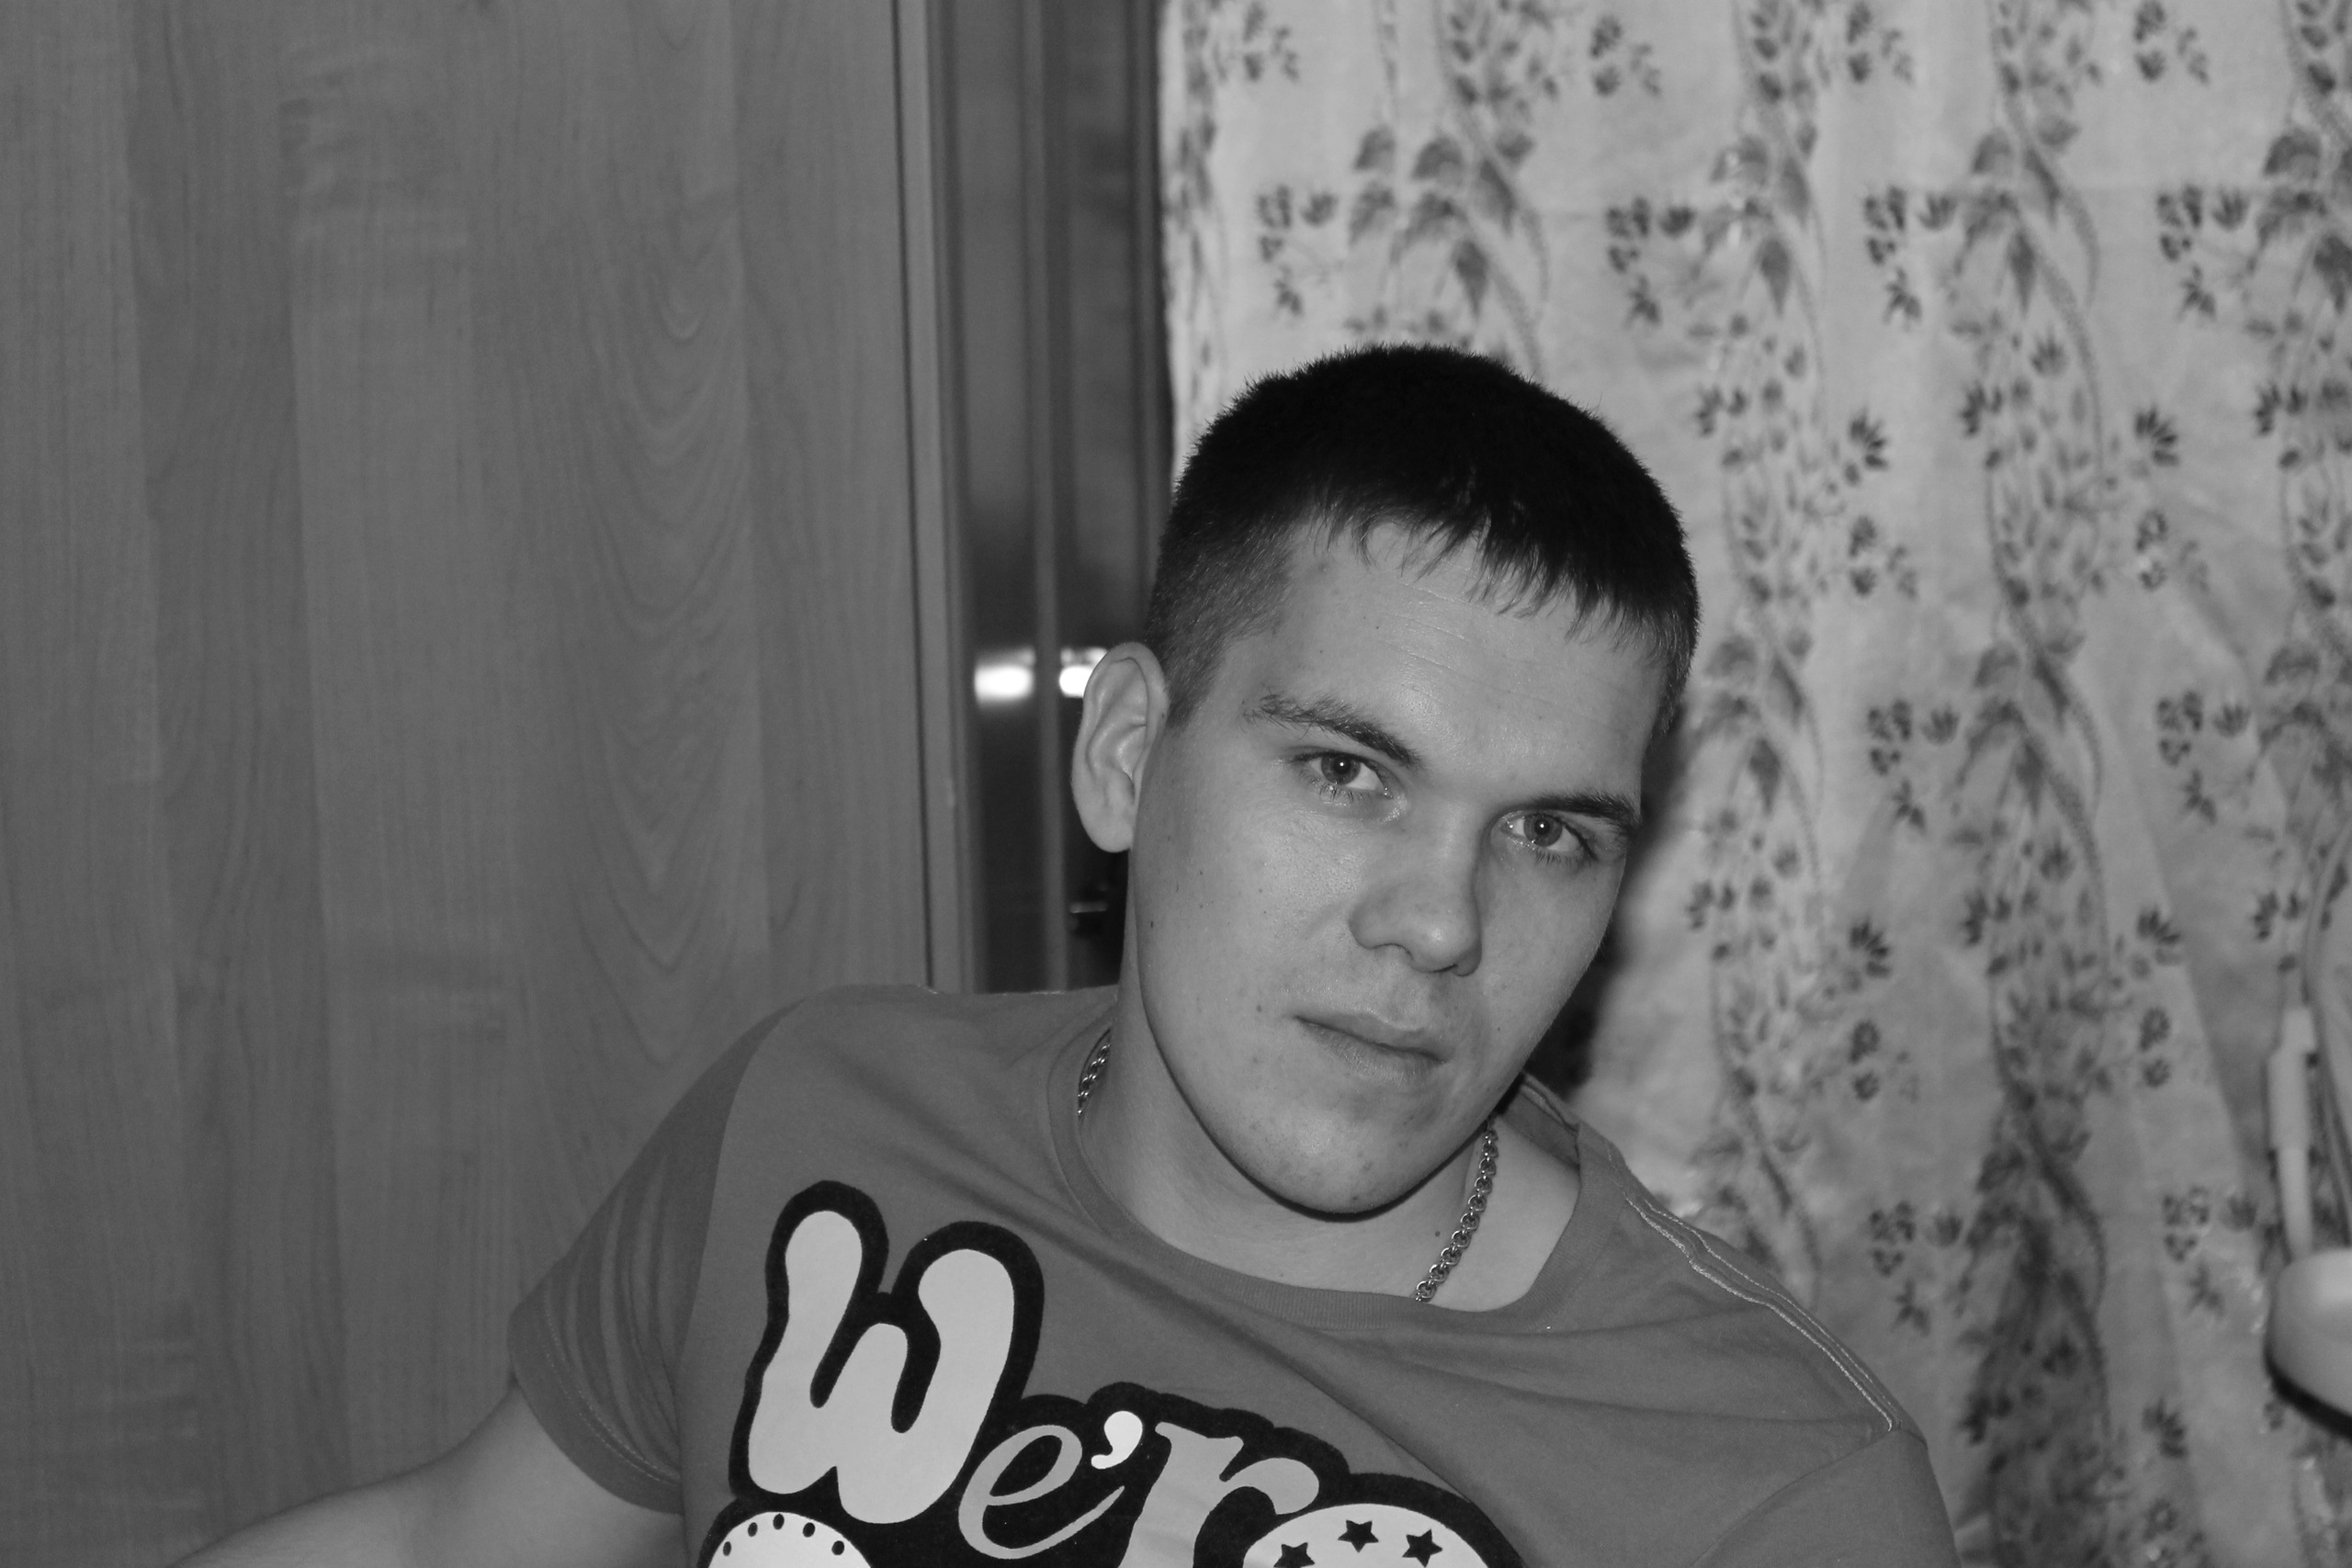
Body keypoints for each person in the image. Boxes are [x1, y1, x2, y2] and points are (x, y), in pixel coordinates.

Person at [181, 345, 1958, 1567]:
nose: (1441, 923)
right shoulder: (812, 1125)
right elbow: (448, 1542)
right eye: (1347, 774)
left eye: (1549, 833)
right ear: (1125, 753)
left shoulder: (1771, 1488)